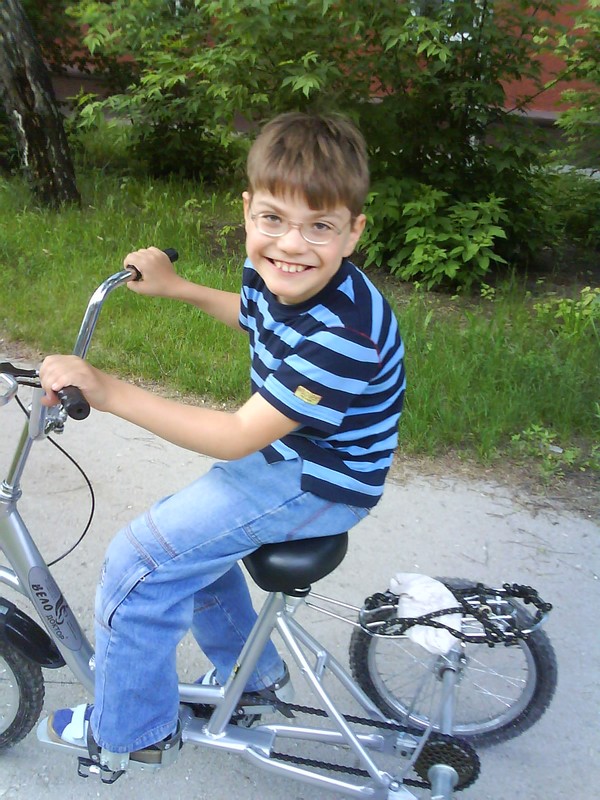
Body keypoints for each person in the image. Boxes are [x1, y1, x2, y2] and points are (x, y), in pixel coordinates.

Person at [39, 112, 406, 765]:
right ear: (248, 210)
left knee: (140, 562)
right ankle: (254, 680)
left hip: (320, 477)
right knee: (188, 550)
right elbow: (257, 316)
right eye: (273, 219)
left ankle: (131, 733)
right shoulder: (279, 270)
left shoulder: (341, 337)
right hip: (293, 452)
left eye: (320, 226)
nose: (291, 245)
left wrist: (107, 389)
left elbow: (237, 435)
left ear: (353, 232)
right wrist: (179, 289)